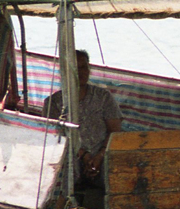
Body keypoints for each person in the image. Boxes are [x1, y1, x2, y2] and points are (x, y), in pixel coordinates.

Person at [43, 50, 123, 189]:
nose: (81, 72)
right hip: (71, 156)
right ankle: (63, 204)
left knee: (117, 169)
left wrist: (99, 157)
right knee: (65, 165)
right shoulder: (54, 102)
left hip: (101, 154)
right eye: (75, 68)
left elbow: (114, 131)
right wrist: (84, 155)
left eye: (84, 67)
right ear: (65, 72)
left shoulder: (103, 97)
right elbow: (54, 138)